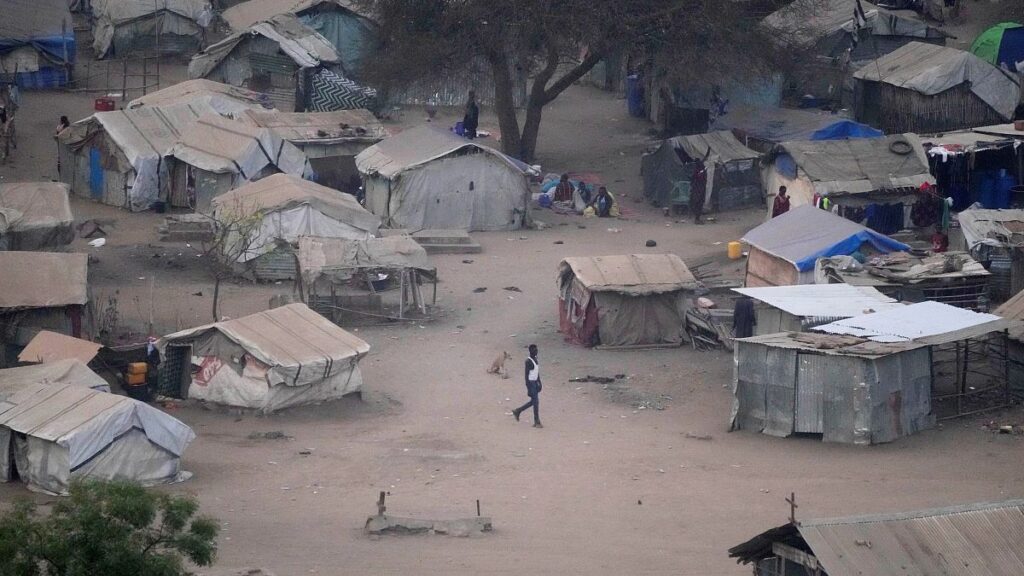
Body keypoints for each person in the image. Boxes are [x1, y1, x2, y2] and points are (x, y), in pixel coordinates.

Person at [512, 344, 543, 428]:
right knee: (535, 402)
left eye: (536, 350)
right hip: (531, 383)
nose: (536, 351)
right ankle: (536, 421)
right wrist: (528, 387)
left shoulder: (535, 359)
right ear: (530, 351)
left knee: (534, 402)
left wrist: (539, 383)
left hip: (535, 382)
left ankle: (518, 411)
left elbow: (537, 372)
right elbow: (526, 375)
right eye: (534, 350)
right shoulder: (528, 361)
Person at [690, 147, 711, 224]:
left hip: (698, 190)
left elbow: (704, 159)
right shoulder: (699, 171)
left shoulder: (697, 169)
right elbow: (698, 177)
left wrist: (708, 150)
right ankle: (697, 219)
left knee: (698, 203)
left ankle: (697, 218)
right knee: (698, 204)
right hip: (699, 190)